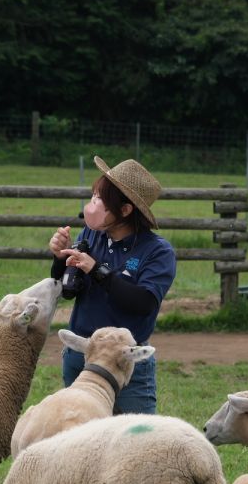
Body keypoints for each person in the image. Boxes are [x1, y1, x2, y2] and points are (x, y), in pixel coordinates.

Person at [48, 156, 176, 414]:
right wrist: (60, 258)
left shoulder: (158, 251)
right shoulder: (90, 234)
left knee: (134, 440)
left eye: (101, 198)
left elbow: (143, 303)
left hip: (125, 361)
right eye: (93, 195)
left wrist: (97, 270)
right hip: (81, 354)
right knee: (78, 437)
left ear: (126, 210)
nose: (92, 204)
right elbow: (68, 290)